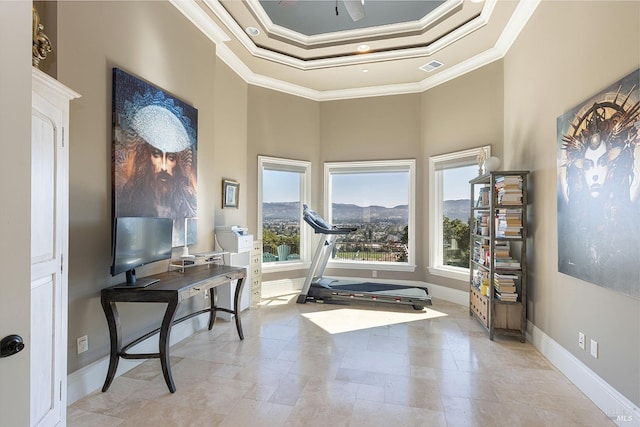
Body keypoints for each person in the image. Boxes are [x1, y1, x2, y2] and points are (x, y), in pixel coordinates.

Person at [558, 98, 639, 298]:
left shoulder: (626, 225)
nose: (594, 174)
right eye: (587, 165)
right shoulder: (574, 226)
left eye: (602, 162)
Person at [114, 104, 197, 247]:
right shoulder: (130, 198)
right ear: (146, 157)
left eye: (171, 157)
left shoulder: (186, 203)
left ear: (177, 163)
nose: (164, 167)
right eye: (157, 155)